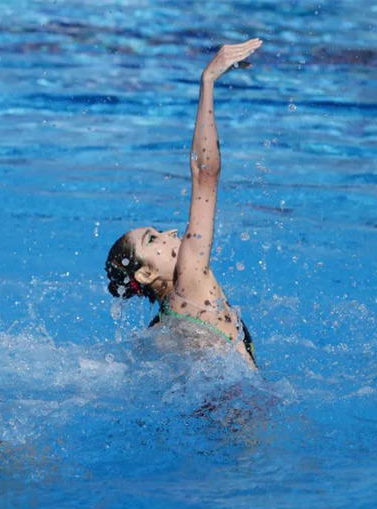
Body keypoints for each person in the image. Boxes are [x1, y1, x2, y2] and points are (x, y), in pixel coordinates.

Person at [105, 39, 263, 368]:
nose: (171, 231)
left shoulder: (161, 325)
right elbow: (206, 173)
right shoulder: (190, 276)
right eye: (153, 238)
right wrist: (208, 81)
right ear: (147, 273)